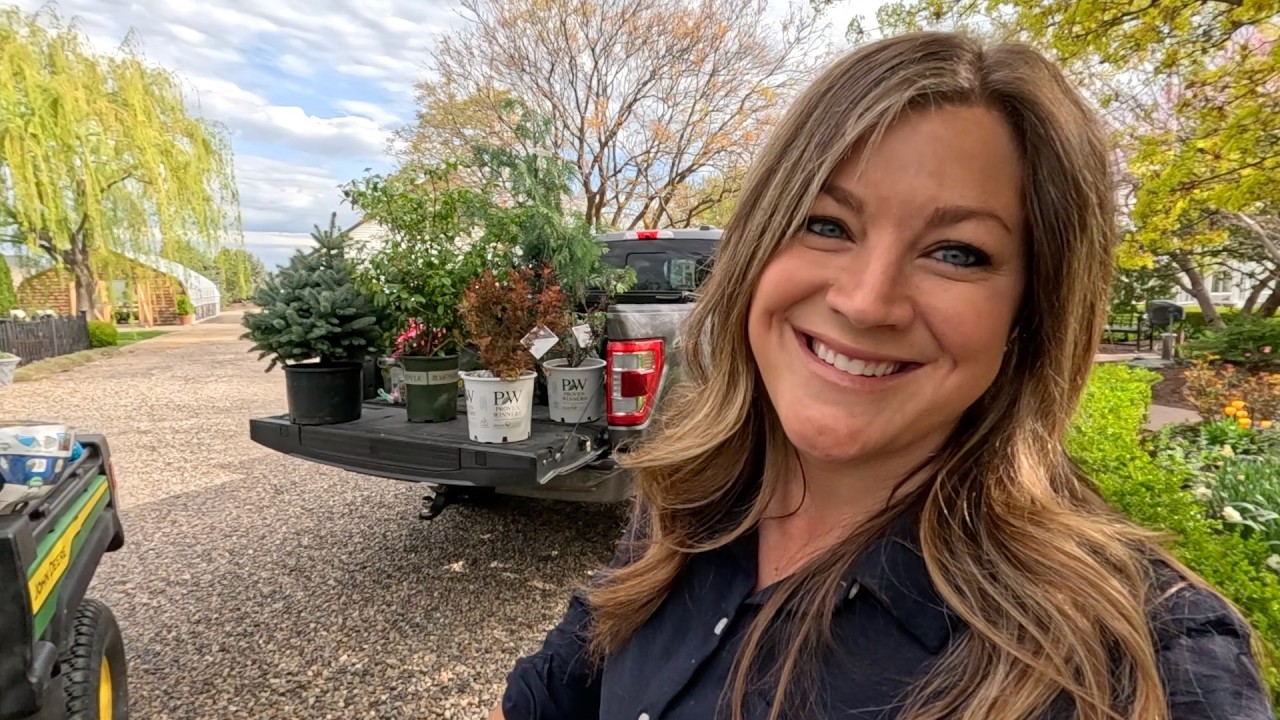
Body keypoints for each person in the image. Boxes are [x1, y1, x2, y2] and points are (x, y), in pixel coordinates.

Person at [489, 31, 1274, 720]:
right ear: (757, 254)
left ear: (1031, 313)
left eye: (957, 252)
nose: (866, 302)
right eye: (826, 224)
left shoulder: (1140, 655)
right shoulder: (686, 510)